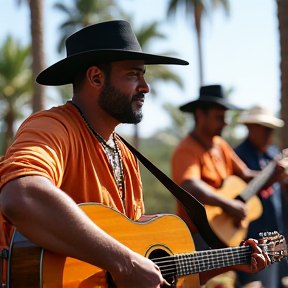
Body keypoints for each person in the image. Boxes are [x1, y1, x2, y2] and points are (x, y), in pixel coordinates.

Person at [0, 22, 269, 288]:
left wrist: (229, 262)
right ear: (96, 77)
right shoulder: (53, 126)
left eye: (143, 75)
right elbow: (22, 193)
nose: (145, 87)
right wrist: (124, 262)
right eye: (133, 75)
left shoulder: (125, 154)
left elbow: (141, 264)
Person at [171, 85, 285, 284]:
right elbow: (189, 185)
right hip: (197, 239)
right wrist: (228, 204)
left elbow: (246, 175)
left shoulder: (220, 145)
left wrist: (272, 174)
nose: (224, 123)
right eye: (218, 117)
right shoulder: (186, 150)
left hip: (221, 239)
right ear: (200, 114)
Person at [235, 105, 288, 288]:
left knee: (277, 282)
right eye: (265, 129)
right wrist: (274, 175)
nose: (269, 134)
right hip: (253, 239)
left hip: (276, 233)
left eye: (270, 129)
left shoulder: (272, 153)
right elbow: (245, 192)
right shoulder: (239, 156)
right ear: (251, 127)